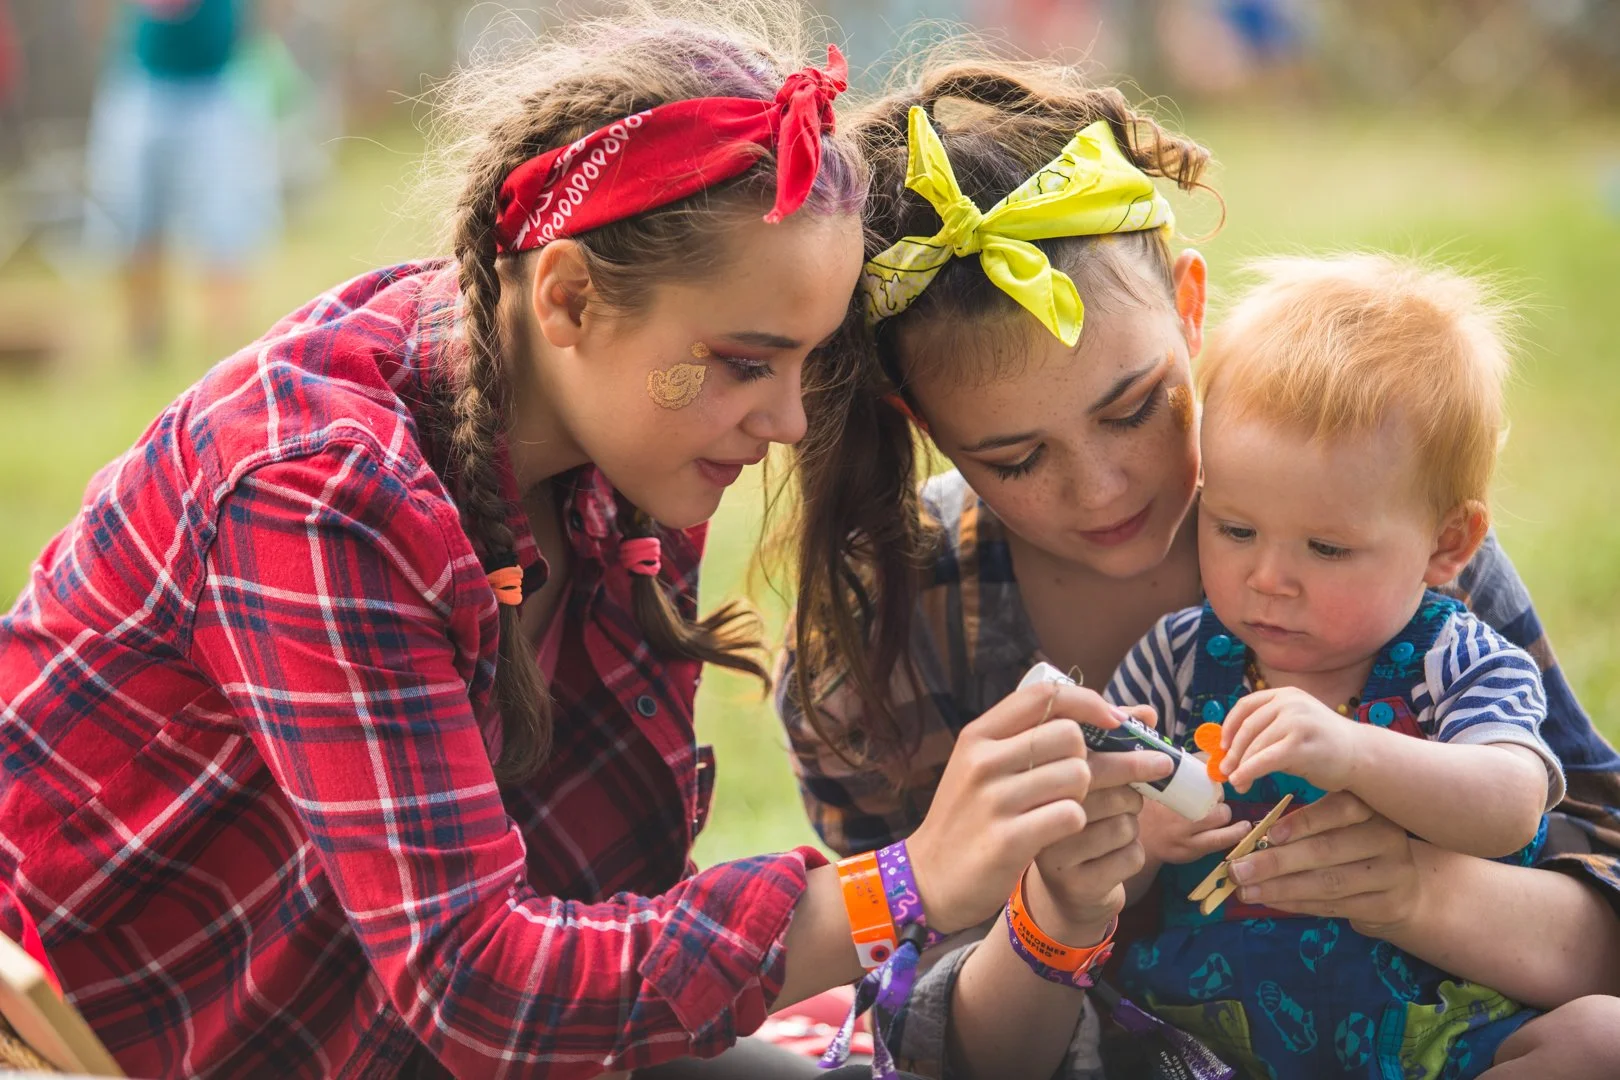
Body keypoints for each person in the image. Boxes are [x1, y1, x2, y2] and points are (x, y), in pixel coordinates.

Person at [0, 7, 1130, 1077]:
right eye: (747, 361)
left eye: (804, 363)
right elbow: (476, 987)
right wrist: (904, 882)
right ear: (572, 300)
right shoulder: (316, 491)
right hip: (133, 1041)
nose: (787, 421)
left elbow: (604, 915)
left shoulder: (628, 448)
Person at [776, 53, 1620, 1080]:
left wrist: (1417, 889)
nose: (1103, 492)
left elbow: (1597, 924)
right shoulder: (889, 640)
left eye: (1133, 408)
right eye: (1016, 458)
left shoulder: (1363, 524)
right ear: (928, 428)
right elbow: (949, 1054)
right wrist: (1054, 909)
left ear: (1189, 306)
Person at [1106, 254, 1563, 1078]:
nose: (1267, 578)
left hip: (1426, 1035)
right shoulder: (1176, 660)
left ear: (1447, 544)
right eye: (1235, 529)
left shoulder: (1449, 656)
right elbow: (1087, 853)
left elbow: (1513, 805)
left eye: (1326, 547)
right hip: (1203, 1039)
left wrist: (1355, 754)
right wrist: (1143, 840)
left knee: (1600, 1038)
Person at [82, 0, 280, 357]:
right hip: (142, 77)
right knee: (133, 219)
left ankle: (228, 349)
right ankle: (145, 340)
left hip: (218, 81)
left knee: (225, 223)